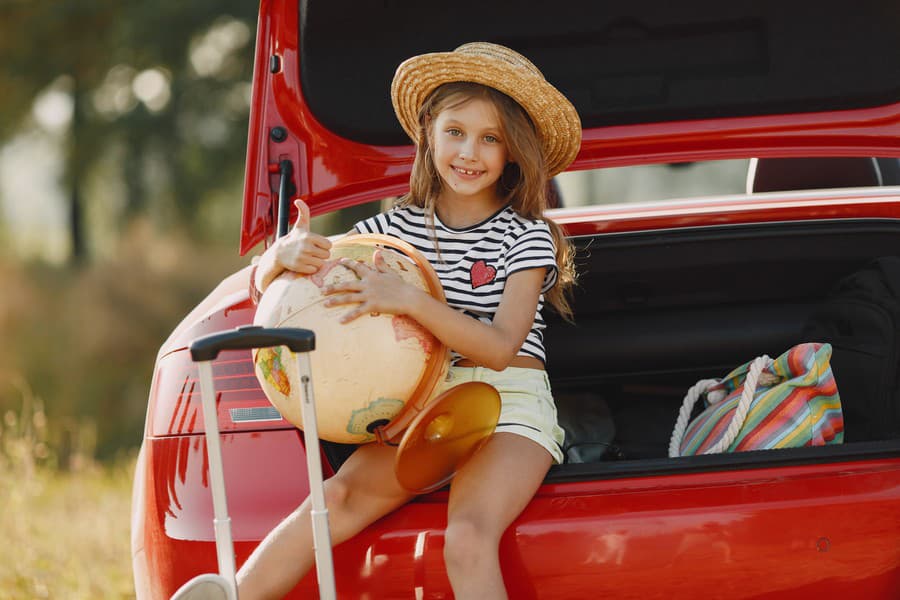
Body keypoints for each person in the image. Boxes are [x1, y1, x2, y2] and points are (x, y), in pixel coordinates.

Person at [189, 41, 581, 600]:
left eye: (490, 138)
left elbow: (498, 347)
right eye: (456, 131)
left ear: (513, 151)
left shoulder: (527, 236)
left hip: (510, 406)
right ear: (428, 132)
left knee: (467, 537)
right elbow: (309, 285)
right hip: (421, 404)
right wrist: (277, 260)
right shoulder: (393, 228)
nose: (469, 152)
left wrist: (411, 301)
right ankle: (233, 593)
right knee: (337, 499)